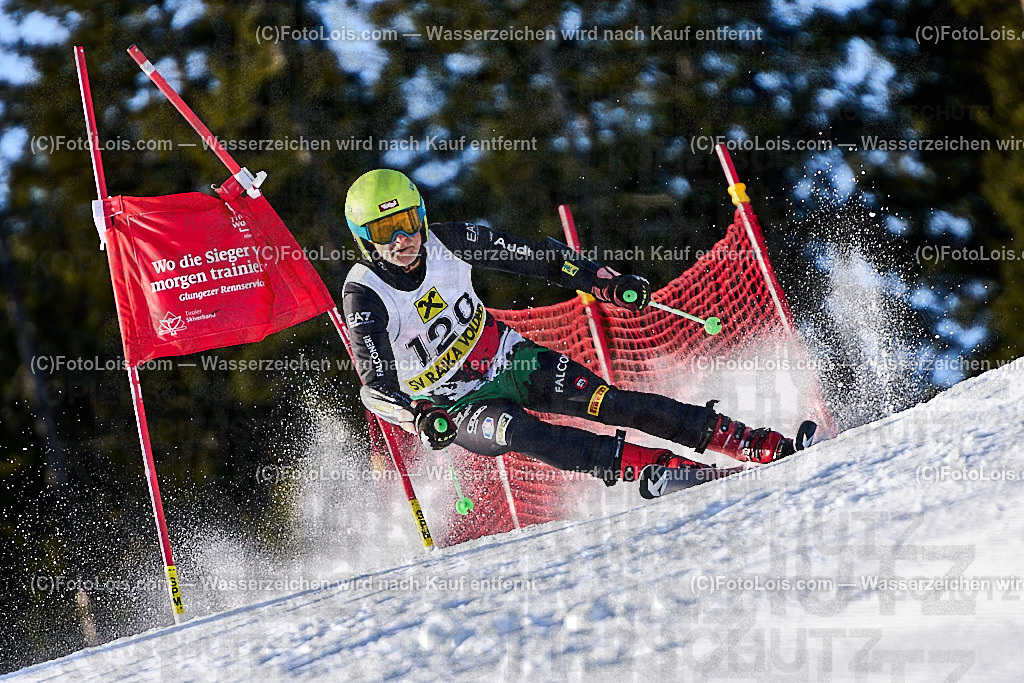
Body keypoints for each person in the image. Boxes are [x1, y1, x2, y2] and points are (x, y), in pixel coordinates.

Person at [341, 169, 802, 492]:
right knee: (528, 435)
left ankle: (743, 440)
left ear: (420, 215)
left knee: (609, 403)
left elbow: (539, 257)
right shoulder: (365, 293)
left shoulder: (451, 241)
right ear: (364, 239)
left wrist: (606, 282)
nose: (402, 240)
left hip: (508, 358)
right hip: (454, 403)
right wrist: (418, 417)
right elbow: (376, 388)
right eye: (385, 232)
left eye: (405, 223)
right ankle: (662, 468)